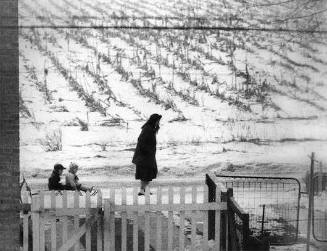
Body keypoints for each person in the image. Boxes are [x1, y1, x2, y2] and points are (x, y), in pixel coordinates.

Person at [132, 113, 162, 196]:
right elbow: (140, 140)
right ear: (154, 121)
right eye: (157, 121)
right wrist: (147, 151)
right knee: (145, 173)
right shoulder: (147, 129)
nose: (158, 123)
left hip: (148, 156)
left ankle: (144, 190)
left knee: (147, 173)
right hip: (144, 156)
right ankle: (143, 190)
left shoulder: (150, 128)